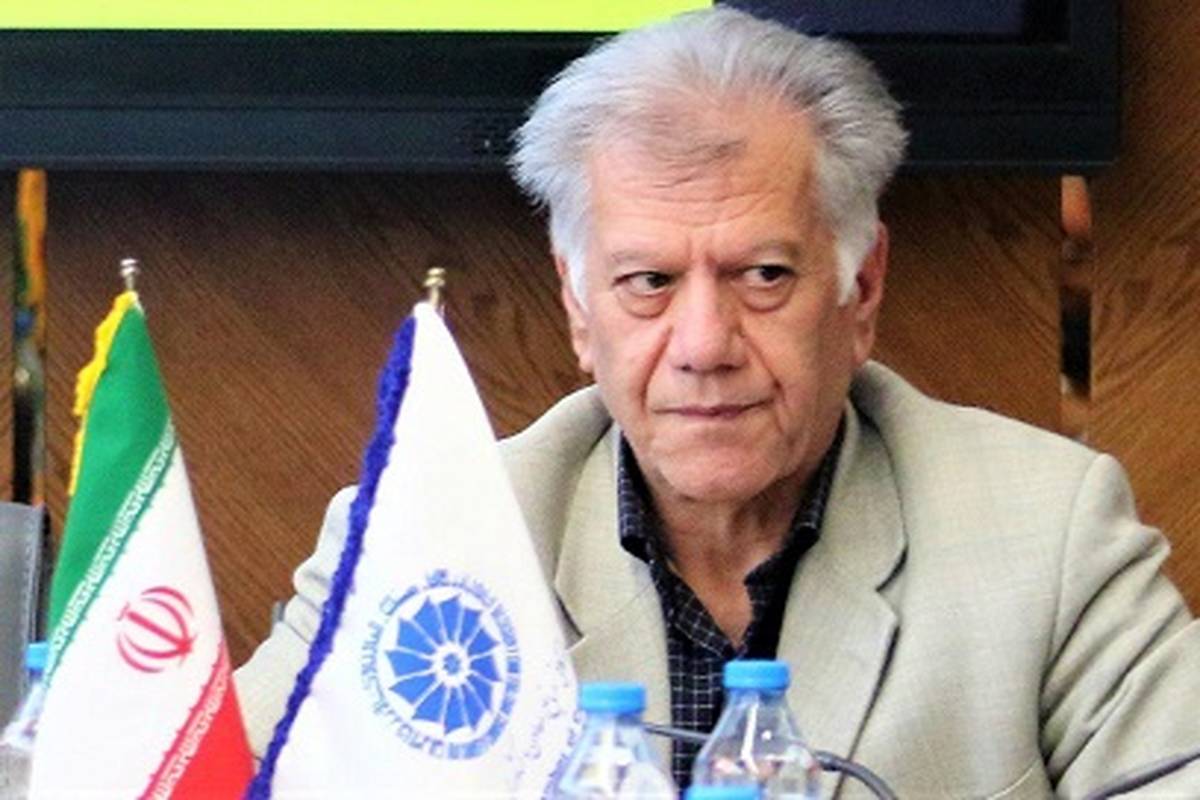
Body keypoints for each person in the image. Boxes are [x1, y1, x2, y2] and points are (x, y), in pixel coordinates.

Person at [236, 8, 1200, 796]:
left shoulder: (1049, 535)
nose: (703, 346)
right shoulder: (426, 541)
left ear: (860, 290)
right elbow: (209, 778)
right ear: (578, 309)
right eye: (648, 282)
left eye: (763, 275)